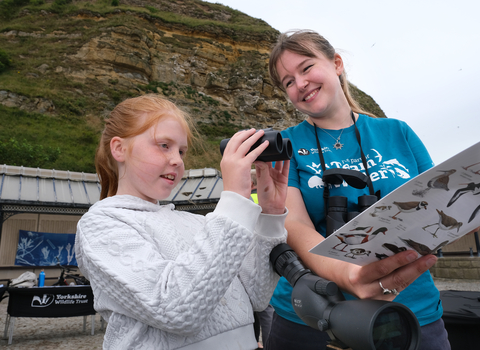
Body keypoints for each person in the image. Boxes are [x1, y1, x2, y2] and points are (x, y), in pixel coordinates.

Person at [264, 30, 450, 350]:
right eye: (288, 82)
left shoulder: (397, 131)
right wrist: (346, 274)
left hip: (409, 309)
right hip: (311, 314)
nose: (300, 84)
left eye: (306, 68)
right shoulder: (287, 145)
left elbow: (438, 203)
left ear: (336, 63)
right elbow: (293, 225)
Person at [75, 94, 290, 350]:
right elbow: (176, 310)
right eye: (164, 145)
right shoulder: (102, 224)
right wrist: (233, 201)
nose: (177, 160)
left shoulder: (196, 223)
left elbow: (256, 296)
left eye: (181, 150)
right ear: (119, 148)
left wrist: (271, 214)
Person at [250, 169, 275, 349]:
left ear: (250, 184)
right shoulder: (270, 200)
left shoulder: (245, 201)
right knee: (267, 312)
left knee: (249, 316)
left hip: (246, 264)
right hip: (267, 265)